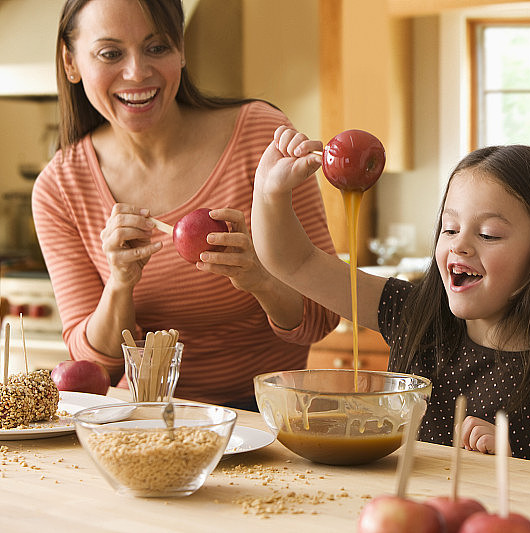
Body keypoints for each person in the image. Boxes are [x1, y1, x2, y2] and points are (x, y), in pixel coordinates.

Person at [250, 126, 530, 474]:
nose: (460, 244)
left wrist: (520, 469)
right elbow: (295, 262)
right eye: (450, 228)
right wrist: (271, 192)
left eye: (489, 234)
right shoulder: (415, 316)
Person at [31, 0, 339, 410]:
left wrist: (261, 278)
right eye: (111, 53)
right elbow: (94, 367)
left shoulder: (261, 138)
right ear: (71, 63)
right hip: (144, 421)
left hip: (270, 423)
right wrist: (121, 284)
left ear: (181, 50)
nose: (137, 72)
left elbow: (322, 316)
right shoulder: (60, 187)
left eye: (156, 47)